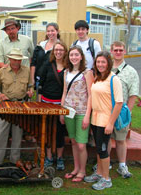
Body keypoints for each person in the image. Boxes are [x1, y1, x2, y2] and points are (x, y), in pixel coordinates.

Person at [84, 51, 123, 191]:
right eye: (98, 62)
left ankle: (106, 179)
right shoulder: (98, 78)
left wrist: (111, 123)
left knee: (103, 149)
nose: (100, 65)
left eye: (103, 62)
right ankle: (99, 173)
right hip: (95, 119)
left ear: (108, 63)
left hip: (105, 120)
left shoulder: (114, 79)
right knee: (99, 148)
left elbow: (119, 103)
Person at [0, 48, 33, 166]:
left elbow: (30, 85)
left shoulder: (26, 71)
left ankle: (15, 161)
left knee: (17, 135)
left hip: (20, 106)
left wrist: (30, 91)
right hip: (5, 106)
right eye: (14, 59)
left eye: (19, 60)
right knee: (1, 135)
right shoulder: (2, 71)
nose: (16, 62)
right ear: (9, 59)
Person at [61, 46, 94, 181]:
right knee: (73, 141)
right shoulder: (66, 72)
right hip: (69, 111)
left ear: (81, 57)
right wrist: (62, 111)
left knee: (81, 144)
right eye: (71, 55)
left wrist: (87, 115)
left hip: (82, 112)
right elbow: (64, 92)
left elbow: (91, 95)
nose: (73, 57)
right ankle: (75, 168)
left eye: (76, 55)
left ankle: (82, 170)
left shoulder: (87, 73)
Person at [110, 41, 139, 178]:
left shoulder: (131, 71)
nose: (118, 52)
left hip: (122, 112)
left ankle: (122, 165)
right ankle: (105, 162)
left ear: (124, 51)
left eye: (120, 50)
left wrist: (129, 113)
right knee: (107, 139)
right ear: (111, 51)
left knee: (121, 139)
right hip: (107, 110)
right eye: (115, 50)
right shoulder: (106, 68)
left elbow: (133, 94)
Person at [39, 41, 68, 170]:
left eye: (61, 50)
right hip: (46, 103)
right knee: (48, 131)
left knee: (60, 132)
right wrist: (39, 103)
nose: (58, 52)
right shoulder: (48, 64)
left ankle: (60, 158)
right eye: (56, 50)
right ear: (53, 51)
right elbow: (40, 84)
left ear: (65, 52)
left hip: (60, 104)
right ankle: (49, 157)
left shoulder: (68, 67)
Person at [30, 22, 60, 90]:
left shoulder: (60, 48)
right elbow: (33, 63)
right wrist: (32, 79)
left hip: (51, 81)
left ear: (57, 31)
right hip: (38, 79)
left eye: (52, 31)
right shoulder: (40, 46)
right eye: (48, 31)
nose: (50, 33)